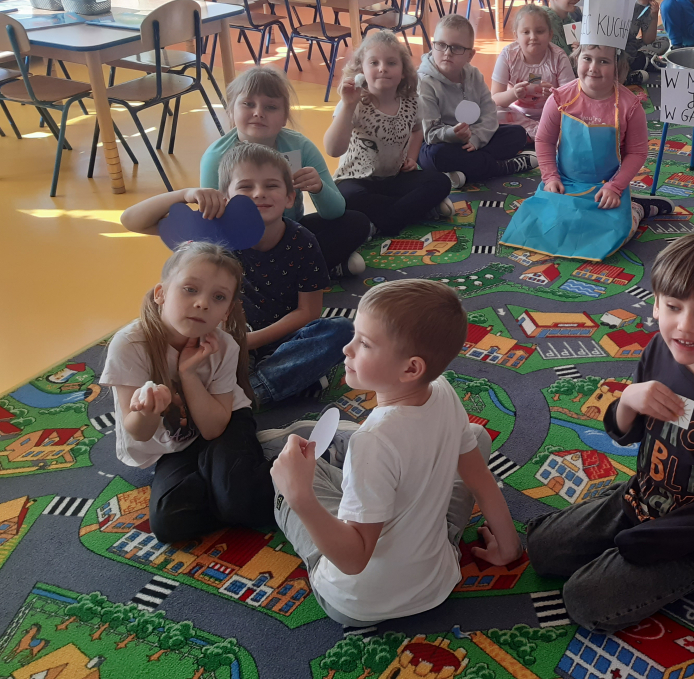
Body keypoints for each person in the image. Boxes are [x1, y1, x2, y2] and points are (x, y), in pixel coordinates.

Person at [526, 234, 694, 632]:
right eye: (673, 307)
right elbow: (626, 435)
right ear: (656, 303)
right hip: (643, 497)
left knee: (584, 600)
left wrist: (646, 541)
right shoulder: (660, 349)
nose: (685, 325)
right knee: (541, 549)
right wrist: (628, 400)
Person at [270, 279, 521, 627]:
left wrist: (300, 497)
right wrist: (508, 548)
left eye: (364, 343)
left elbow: (354, 560)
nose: (347, 349)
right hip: (437, 579)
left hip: (356, 602)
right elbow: (479, 478)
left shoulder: (372, 442)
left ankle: (330, 460)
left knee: (288, 479)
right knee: (474, 437)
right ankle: (350, 461)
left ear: (411, 368)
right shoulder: (442, 389)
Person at [122, 144, 355, 407]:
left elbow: (308, 312)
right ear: (225, 198)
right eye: (246, 187)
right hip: (218, 338)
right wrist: (186, 194)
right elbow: (131, 220)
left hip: (280, 338)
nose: (259, 193)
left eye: (271, 186)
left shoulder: (303, 241)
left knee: (342, 330)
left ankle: (248, 394)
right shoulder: (214, 235)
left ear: (290, 198)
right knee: (170, 330)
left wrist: (248, 342)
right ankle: (256, 386)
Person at [99, 241, 274, 543]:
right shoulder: (129, 345)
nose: (202, 303)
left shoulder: (224, 346)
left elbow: (213, 428)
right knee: (170, 523)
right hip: (176, 442)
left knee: (239, 501)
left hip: (224, 420)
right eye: (190, 289)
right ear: (161, 293)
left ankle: (275, 470)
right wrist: (147, 412)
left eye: (218, 297)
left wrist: (188, 374)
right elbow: (139, 433)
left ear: (226, 311)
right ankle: (237, 483)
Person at [501, 44, 668, 261]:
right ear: (577, 59)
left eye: (604, 61)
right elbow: (544, 140)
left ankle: (636, 209)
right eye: (587, 58)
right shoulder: (560, 98)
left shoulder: (630, 106)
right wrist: (550, 177)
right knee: (541, 225)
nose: (593, 68)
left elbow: (637, 152)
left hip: (605, 188)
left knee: (612, 235)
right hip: (564, 183)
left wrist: (615, 187)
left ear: (618, 66)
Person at [200, 67, 370, 277]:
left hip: (291, 235)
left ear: (284, 117)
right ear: (231, 111)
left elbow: (335, 211)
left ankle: (288, 274)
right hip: (245, 244)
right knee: (216, 256)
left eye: (271, 107)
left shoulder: (300, 147)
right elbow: (212, 225)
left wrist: (319, 188)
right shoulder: (215, 157)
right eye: (248, 104)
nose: (258, 113)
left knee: (356, 223)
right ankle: (313, 269)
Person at [323, 29, 453, 238]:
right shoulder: (353, 103)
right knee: (346, 198)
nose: (382, 68)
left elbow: (417, 130)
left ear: (403, 71)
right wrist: (348, 105)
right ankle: (414, 211)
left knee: (441, 182)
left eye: (391, 63)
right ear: (361, 70)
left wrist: (411, 158)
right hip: (355, 180)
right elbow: (332, 149)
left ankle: (382, 221)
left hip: (393, 178)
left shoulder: (412, 102)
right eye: (374, 63)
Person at [417, 14, 536, 188]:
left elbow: (490, 114)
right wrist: (453, 134)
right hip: (442, 142)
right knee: (434, 155)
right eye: (441, 45)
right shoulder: (424, 82)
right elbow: (430, 134)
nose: (447, 53)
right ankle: (501, 167)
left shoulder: (474, 76)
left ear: (470, 55)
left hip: (473, 141)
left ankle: (462, 172)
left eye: (457, 48)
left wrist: (476, 139)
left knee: (517, 134)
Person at [490, 4, 576, 138]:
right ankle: (540, 134)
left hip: (551, 115)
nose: (533, 37)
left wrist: (554, 97)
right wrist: (513, 94)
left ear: (550, 35)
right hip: (516, 114)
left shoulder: (559, 57)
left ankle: (529, 135)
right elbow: (495, 99)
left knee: (575, 117)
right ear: (516, 36)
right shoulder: (508, 55)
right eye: (526, 32)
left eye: (540, 31)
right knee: (491, 113)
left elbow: (571, 98)